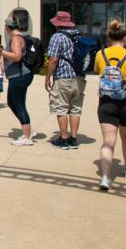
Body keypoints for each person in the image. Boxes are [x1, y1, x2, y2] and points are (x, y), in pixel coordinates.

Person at [94, 19, 126, 190]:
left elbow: (99, 72)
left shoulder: (101, 54)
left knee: (108, 141)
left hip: (107, 101)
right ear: (125, 38)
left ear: (109, 37)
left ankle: (106, 177)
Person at [45, 11, 84, 150]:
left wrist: (48, 77)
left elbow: (53, 59)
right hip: (79, 78)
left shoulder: (57, 37)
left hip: (63, 77)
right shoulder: (78, 35)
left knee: (61, 108)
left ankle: (63, 138)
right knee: (75, 108)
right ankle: (73, 138)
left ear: (57, 24)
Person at [2, 11, 34, 145]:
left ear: (8, 28)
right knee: (11, 102)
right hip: (19, 75)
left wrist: (0, 52)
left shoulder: (15, 38)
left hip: (19, 76)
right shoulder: (21, 36)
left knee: (19, 105)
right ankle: (26, 128)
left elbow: (17, 56)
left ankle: (27, 136)